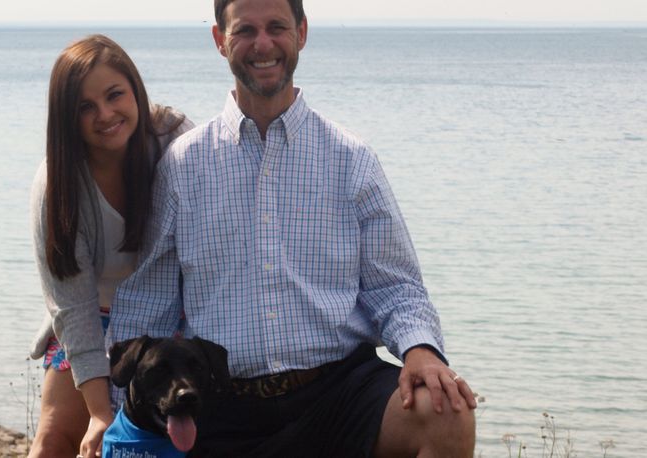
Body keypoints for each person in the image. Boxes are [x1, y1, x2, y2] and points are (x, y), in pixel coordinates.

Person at [110, 0, 477, 456]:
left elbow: (397, 286)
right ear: (219, 40)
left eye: (277, 27)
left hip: (341, 392)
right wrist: (111, 419)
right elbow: (149, 302)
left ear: (301, 33)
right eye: (245, 30)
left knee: (447, 413)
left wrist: (421, 349)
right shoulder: (183, 166)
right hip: (221, 403)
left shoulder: (351, 159)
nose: (263, 44)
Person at [27, 34, 194, 458]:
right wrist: (101, 414)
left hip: (170, 319)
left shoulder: (175, 142)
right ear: (67, 117)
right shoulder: (57, 183)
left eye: (114, 95)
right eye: (85, 107)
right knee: (52, 439)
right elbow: (71, 305)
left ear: (135, 90)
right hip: (91, 319)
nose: (104, 114)